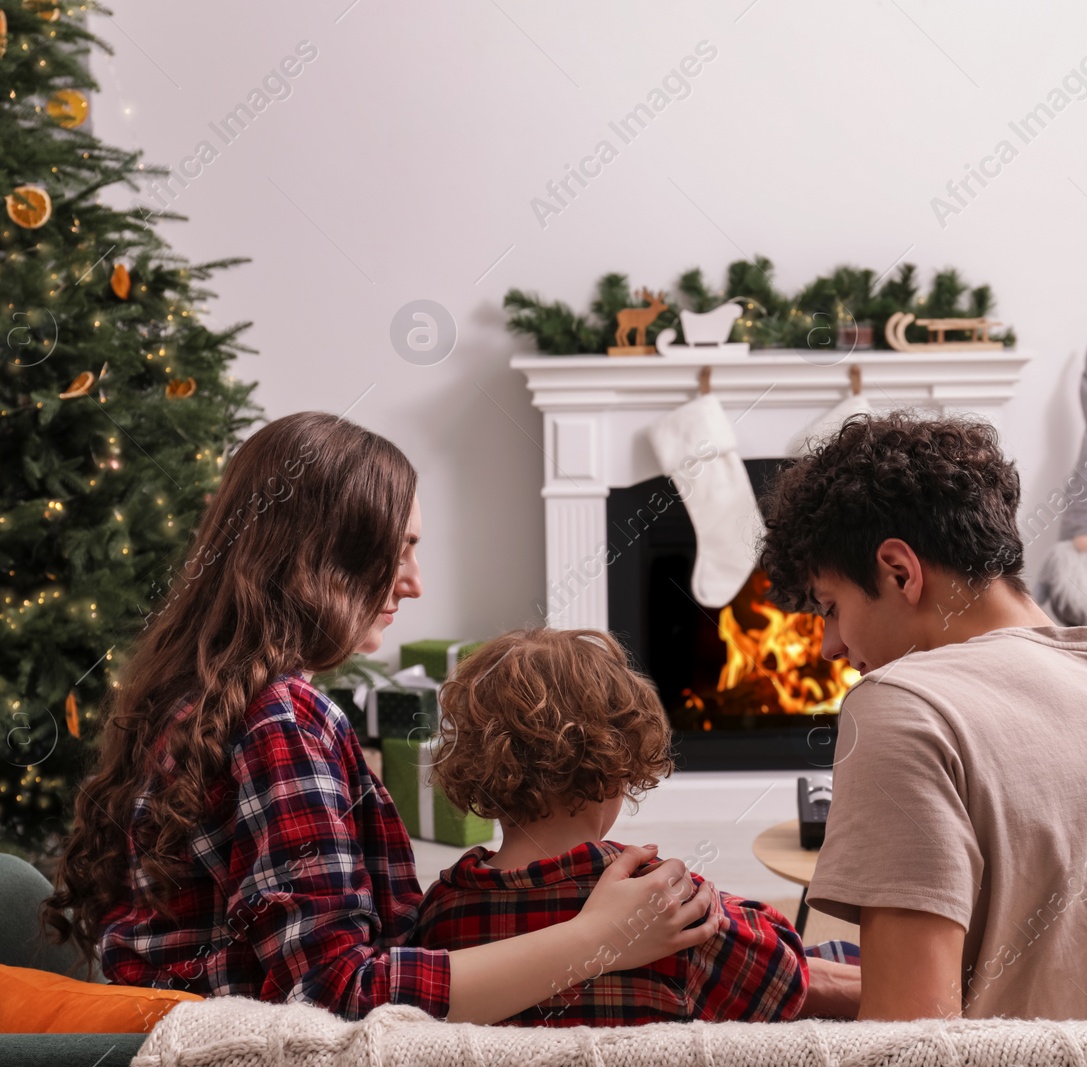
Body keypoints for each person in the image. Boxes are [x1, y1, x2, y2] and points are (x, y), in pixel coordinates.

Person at [42, 412, 720, 1024]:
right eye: (399, 550)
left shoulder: (208, 695)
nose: (415, 581)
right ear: (321, 554)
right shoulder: (281, 717)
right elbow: (337, 994)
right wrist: (594, 940)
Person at [757, 410, 1087, 1022]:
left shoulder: (904, 709)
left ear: (900, 571)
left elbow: (904, 1044)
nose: (830, 646)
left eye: (832, 607)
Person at [414, 627, 862, 1025]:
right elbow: (783, 974)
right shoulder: (656, 899)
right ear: (614, 764)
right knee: (842, 956)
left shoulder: (441, 911)